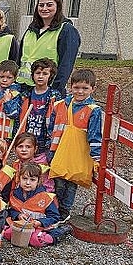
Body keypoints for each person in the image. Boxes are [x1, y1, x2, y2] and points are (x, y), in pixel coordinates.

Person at [48, 69, 102, 221]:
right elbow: (51, 128)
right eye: (77, 87)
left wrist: (96, 158)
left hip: (79, 153)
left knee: (72, 182)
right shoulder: (60, 105)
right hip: (58, 150)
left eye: (85, 88)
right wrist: (48, 148)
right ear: (70, 87)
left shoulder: (93, 111)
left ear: (93, 89)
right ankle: (55, 209)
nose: (80, 91)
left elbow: (95, 135)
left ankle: (65, 211)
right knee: (58, 181)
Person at [17, 0, 81, 93]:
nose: (44, 8)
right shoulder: (31, 29)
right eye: (41, 5)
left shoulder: (66, 30)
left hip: (46, 90)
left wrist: (55, 91)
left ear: (58, 6)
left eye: (49, 5)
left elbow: (66, 65)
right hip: (23, 88)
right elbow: (19, 59)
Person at [3, 162, 70, 247]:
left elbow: (54, 216)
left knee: (36, 240)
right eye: (24, 178)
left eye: (32, 180)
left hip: (38, 227)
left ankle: (58, 234)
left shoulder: (45, 197)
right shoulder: (15, 193)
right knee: (7, 233)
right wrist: (18, 215)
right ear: (19, 178)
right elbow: (11, 210)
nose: (27, 182)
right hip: (21, 225)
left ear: (38, 181)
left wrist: (40, 222)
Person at [6, 58, 63, 158]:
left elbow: (58, 120)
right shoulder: (25, 95)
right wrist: (8, 102)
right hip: (26, 140)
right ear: (33, 75)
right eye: (38, 73)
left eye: (45, 73)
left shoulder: (55, 96)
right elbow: (13, 114)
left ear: (51, 76)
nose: (41, 76)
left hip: (44, 140)